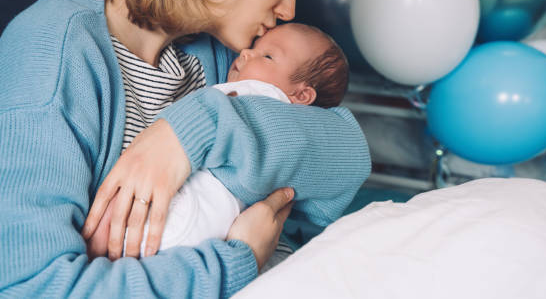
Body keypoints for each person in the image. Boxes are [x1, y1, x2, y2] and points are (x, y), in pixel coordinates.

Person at [0, 0, 371, 298]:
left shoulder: (223, 56)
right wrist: (237, 260)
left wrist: (188, 133)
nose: (289, 10)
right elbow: (31, 286)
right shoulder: (53, 47)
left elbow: (348, 156)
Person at [87, 23, 351, 259]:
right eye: (253, 49)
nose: (245, 54)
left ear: (302, 95)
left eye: (267, 56)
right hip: (214, 228)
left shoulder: (257, 95)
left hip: (190, 213)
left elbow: (348, 151)